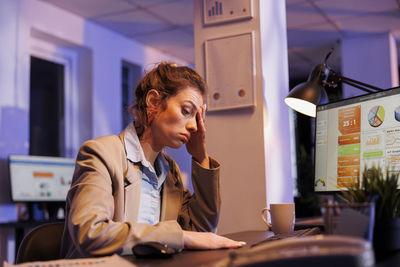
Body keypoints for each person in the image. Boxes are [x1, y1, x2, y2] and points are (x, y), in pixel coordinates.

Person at [60, 62, 245, 258]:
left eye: (197, 118)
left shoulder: (169, 171)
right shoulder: (102, 153)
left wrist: (200, 157)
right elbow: (91, 233)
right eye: (186, 111)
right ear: (154, 102)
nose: (193, 126)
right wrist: (180, 237)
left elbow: (202, 232)